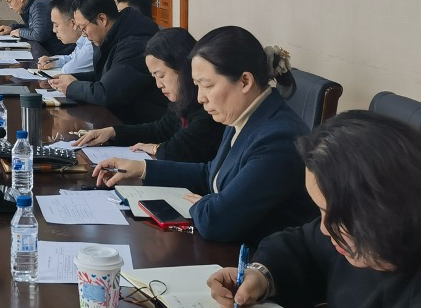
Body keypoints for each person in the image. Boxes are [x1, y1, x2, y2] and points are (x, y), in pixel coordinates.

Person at [92, 26, 315, 244]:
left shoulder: (278, 138)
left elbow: (216, 221)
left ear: (245, 81)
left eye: (207, 85)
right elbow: (211, 174)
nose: (200, 98)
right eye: (197, 85)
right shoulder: (243, 114)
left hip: (258, 259)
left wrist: (204, 203)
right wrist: (142, 169)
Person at [208, 111, 421, 308]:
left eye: (331, 213)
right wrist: (259, 276)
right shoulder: (348, 234)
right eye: (321, 211)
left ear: (381, 208)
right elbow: (301, 245)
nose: (324, 228)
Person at [72, 28, 224, 163]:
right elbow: (160, 130)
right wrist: (112, 132)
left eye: (161, 75)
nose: (158, 84)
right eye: (154, 77)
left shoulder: (208, 106)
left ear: (183, 68)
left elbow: (178, 150)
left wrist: (157, 149)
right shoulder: (183, 100)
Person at [49, 0, 167, 124]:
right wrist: (72, 78)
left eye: (83, 28)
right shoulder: (115, 35)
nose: (83, 34)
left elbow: (107, 93)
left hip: (140, 124)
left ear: (102, 19)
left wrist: (71, 87)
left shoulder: (134, 44)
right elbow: (105, 76)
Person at [0, 0, 74, 56]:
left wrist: (19, 32)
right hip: (49, 51)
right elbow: (33, 28)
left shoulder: (39, 6)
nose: (10, 7)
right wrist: (12, 28)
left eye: (9, 2)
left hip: (59, 54)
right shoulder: (33, 4)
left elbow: (40, 35)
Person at [35, 0, 94, 74]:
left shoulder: (91, 42)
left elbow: (69, 70)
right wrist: (52, 61)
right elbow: (72, 58)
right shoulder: (82, 41)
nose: (54, 30)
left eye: (56, 25)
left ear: (73, 23)